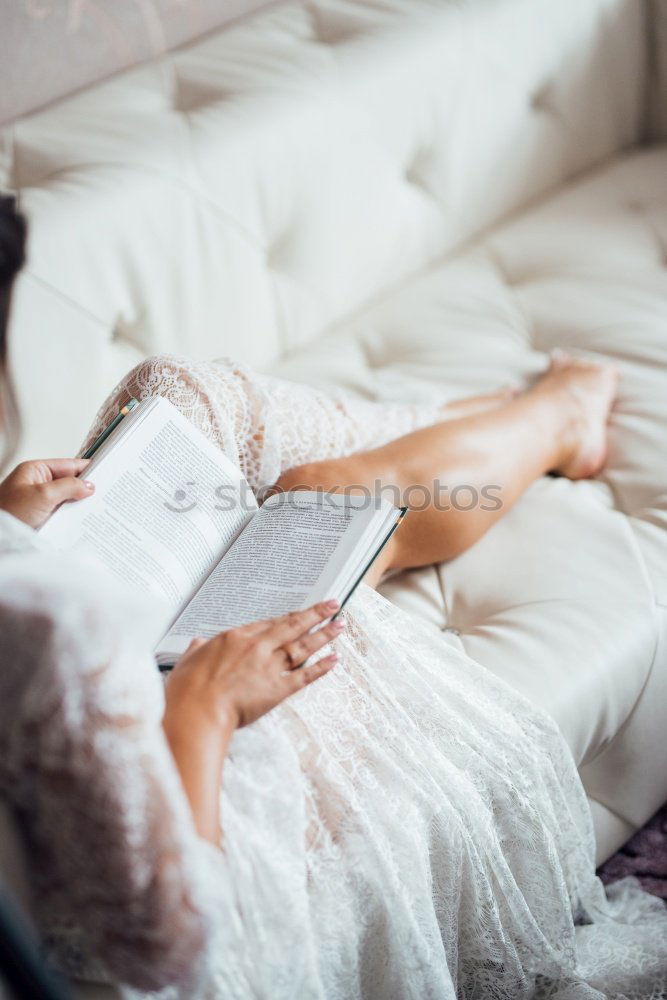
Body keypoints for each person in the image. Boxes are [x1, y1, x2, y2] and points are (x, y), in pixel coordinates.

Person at [0, 193, 665, 998]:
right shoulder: (57, 630)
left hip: (71, 660)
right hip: (181, 808)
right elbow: (165, 948)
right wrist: (204, 708)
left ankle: (462, 424)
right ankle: (555, 421)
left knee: (172, 391)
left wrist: (13, 530)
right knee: (325, 501)